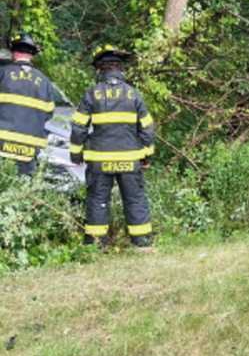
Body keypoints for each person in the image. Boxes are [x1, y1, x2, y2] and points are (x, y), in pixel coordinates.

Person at [70, 45, 155, 248]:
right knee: (135, 199)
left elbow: (79, 127)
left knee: (98, 199)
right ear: (120, 69)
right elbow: (148, 128)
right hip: (130, 159)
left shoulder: (91, 94)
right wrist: (146, 156)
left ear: (100, 70)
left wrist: (75, 154)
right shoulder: (133, 95)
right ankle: (141, 241)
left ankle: (96, 244)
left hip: (100, 160)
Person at [0, 32, 55, 176]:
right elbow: (49, 113)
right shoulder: (45, 82)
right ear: (32, 54)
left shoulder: (3, 74)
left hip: (2, 145)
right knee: (23, 192)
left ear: (13, 52)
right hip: (29, 149)